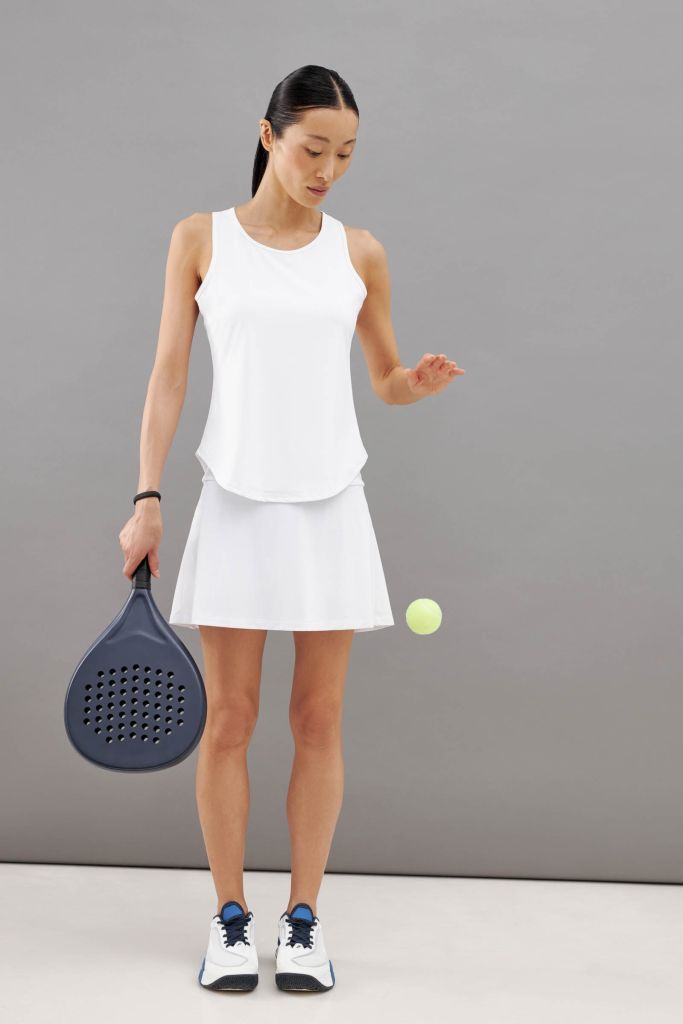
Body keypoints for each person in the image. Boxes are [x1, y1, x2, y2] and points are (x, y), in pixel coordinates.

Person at [117, 64, 464, 994]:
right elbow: (168, 375)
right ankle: (229, 920)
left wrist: (414, 384)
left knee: (318, 720)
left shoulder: (360, 253)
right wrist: (147, 497)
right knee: (229, 720)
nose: (327, 170)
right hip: (234, 499)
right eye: (313, 149)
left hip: (329, 505)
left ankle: (303, 920)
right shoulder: (201, 239)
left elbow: (383, 379)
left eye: (345, 155)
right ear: (268, 135)